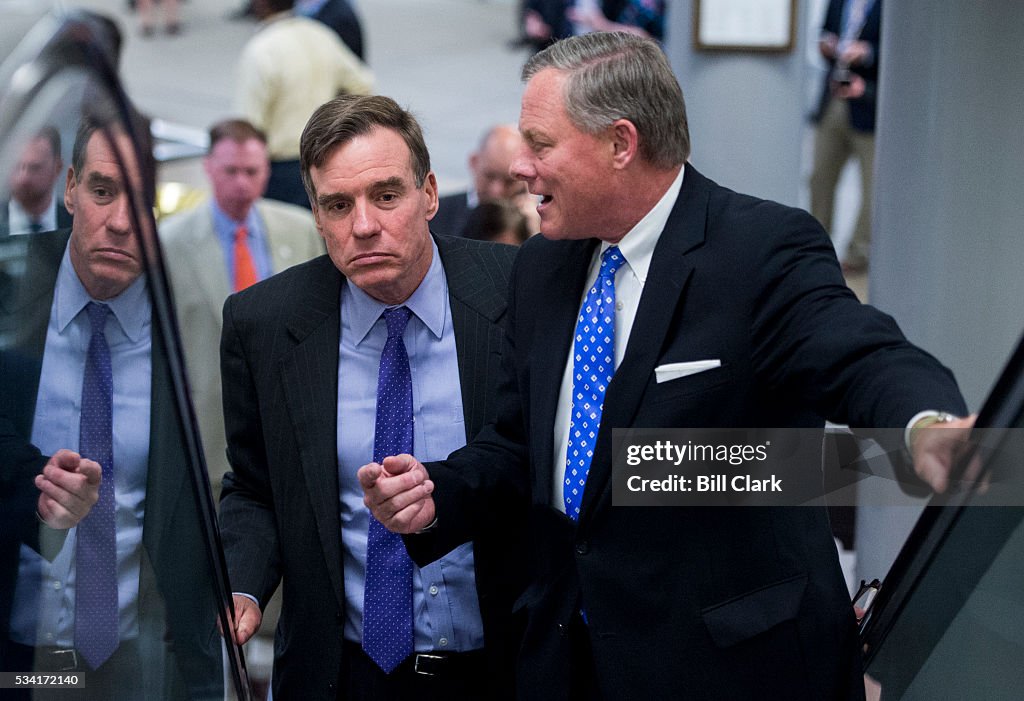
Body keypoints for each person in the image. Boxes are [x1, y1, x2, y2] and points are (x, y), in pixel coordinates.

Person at [360, 32, 974, 699]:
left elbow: (860, 350)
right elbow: (518, 445)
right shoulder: (542, 266)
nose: (521, 169)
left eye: (540, 144)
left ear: (620, 143)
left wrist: (926, 425)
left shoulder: (759, 250)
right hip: (569, 662)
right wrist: (437, 493)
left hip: (729, 668)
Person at [218, 94, 522, 698]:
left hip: (498, 666)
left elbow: (542, 460)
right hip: (339, 672)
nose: (363, 225)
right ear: (316, 214)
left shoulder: (519, 293)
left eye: (386, 195)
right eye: (337, 204)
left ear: (429, 194)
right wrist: (243, 585)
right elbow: (255, 486)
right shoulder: (265, 324)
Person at [0, 112, 222, 698]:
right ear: (70, 187)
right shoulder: (9, 291)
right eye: (103, 191)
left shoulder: (193, 325)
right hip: (18, 661)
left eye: (142, 199)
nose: (123, 222)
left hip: (139, 665)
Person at [159, 118, 323, 504]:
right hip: (210, 434)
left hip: (290, 425)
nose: (242, 183)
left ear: (267, 170)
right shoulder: (170, 244)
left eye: (252, 171)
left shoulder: (300, 230)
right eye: (231, 171)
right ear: (209, 168)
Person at [236, 0, 373, 210]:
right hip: (325, 156)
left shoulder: (261, 50)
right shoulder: (320, 35)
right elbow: (363, 85)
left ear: (261, 5)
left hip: (281, 172)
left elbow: (247, 126)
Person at [809, 0, 882, 274]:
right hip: (834, 100)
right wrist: (826, 46)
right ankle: (815, 248)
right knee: (820, 178)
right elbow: (826, 32)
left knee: (872, 186)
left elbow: (900, 52)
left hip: (869, 105)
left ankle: (858, 255)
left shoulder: (891, 8)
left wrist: (867, 53)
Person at [432, 124, 528, 238]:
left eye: (509, 181)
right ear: (474, 162)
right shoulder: (435, 214)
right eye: (489, 176)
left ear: (526, 177)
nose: (496, 191)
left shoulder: (540, 223)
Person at [1, 127, 71, 236]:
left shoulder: (76, 225)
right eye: (16, 166)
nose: (23, 178)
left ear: (57, 168)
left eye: (35, 168)